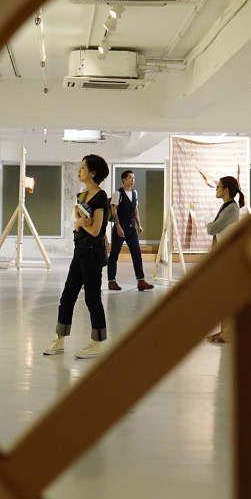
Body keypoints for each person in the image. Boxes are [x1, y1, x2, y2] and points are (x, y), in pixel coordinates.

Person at [43, 154, 112, 359]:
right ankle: (60, 339)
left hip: (93, 252)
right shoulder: (81, 196)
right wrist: (80, 221)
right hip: (80, 251)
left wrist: (82, 223)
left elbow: (97, 230)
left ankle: (98, 342)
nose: (79, 171)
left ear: (93, 172)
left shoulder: (101, 197)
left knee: (92, 298)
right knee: (67, 296)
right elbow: (80, 222)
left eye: (83, 168)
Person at [205, 176, 246, 344]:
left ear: (226, 190)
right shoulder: (227, 206)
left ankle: (227, 333)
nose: (216, 189)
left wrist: (209, 225)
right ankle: (224, 331)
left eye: (218, 187)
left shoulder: (231, 208)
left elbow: (212, 228)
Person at [107, 170, 154, 292]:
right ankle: (111, 281)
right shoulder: (118, 193)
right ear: (124, 179)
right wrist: (118, 227)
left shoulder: (135, 193)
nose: (133, 180)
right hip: (120, 228)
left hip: (131, 229)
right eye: (130, 178)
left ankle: (141, 281)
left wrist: (139, 224)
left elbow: (135, 209)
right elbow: (113, 210)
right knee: (114, 255)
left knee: (137, 254)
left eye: (134, 178)